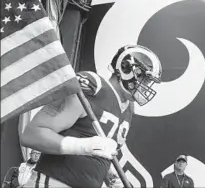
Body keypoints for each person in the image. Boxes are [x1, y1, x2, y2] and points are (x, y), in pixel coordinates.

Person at [21, 44, 162, 188]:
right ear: (126, 68)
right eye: (144, 79)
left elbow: (98, 152)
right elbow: (32, 134)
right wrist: (83, 146)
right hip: (53, 182)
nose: (146, 85)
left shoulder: (128, 108)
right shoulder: (94, 87)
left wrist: (111, 174)